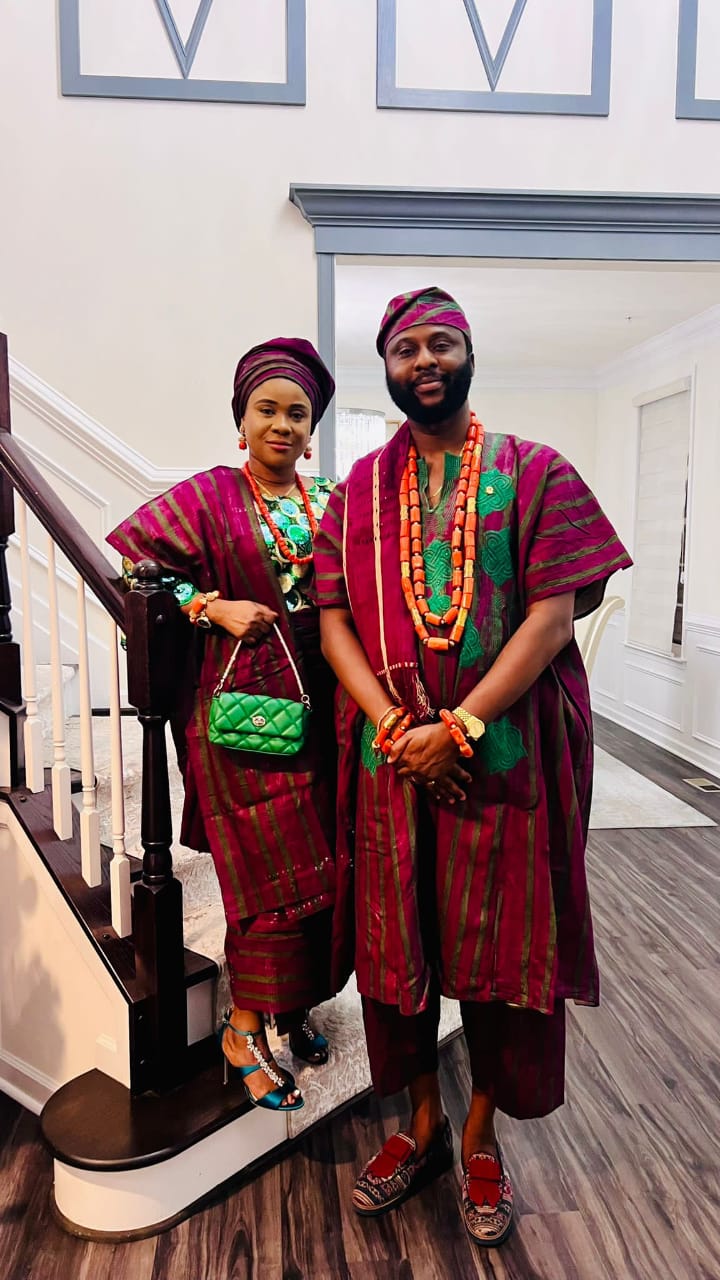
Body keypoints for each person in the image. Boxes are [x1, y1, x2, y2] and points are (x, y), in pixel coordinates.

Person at [314, 288, 632, 1244]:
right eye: (406, 347)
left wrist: (456, 729)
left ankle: (483, 1133)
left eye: (440, 342)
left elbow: (551, 614)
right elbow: (332, 620)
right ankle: (421, 1122)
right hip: (389, 760)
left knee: (497, 952)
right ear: (386, 366)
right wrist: (395, 729)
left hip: (504, 762)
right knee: (397, 949)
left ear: (467, 353)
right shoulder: (357, 490)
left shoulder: (538, 474)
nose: (424, 361)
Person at [108, 337, 338, 1113]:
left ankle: (291, 1008)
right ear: (241, 421)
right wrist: (207, 605)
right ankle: (242, 1029)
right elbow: (130, 571)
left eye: (298, 413)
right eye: (267, 409)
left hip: (322, 707)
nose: (283, 424)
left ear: (312, 430)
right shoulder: (206, 497)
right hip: (241, 720)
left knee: (322, 874)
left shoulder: (331, 500)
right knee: (268, 881)